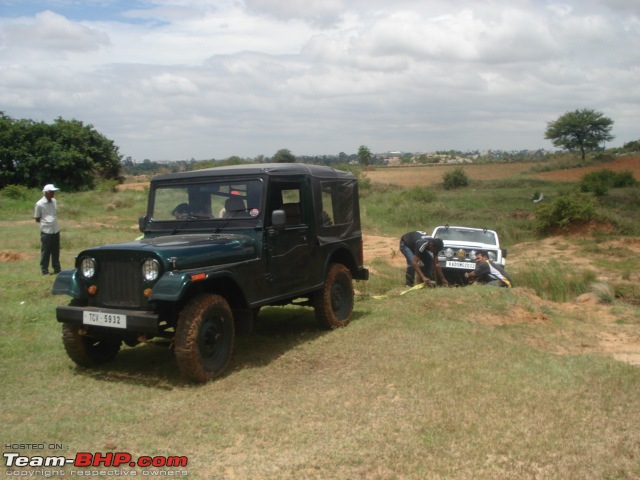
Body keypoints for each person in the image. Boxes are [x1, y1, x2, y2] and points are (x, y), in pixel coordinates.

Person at [34, 183, 61, 275]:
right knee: (46, 251)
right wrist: (45, 222)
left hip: (55, 229)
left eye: (54, 192)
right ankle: (44, 270)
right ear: (46, 192)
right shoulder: (39, 204)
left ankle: (57, 268)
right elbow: (37, 218)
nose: (53, 193)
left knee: (55, 250)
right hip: (46, 230)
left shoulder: (54, 201)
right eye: (51, 192)